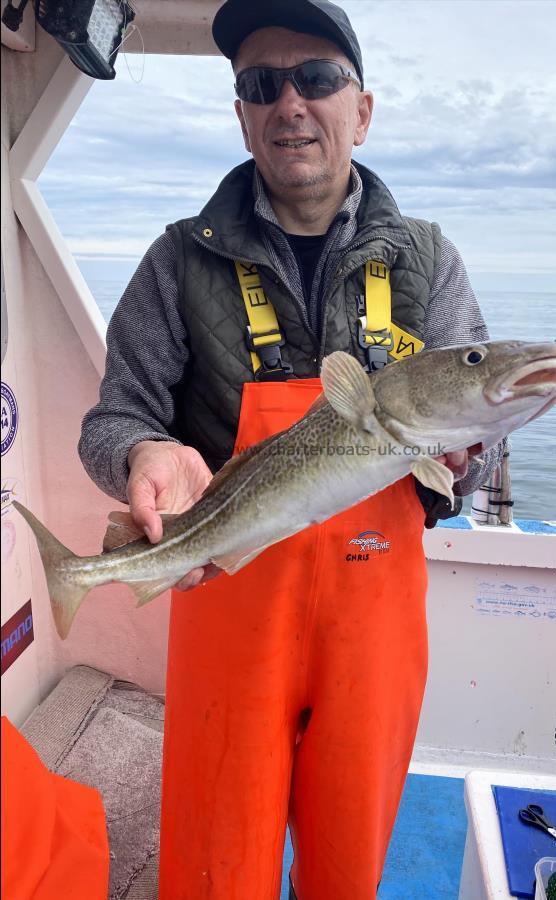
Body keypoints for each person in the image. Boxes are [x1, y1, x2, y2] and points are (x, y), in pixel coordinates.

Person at [79, 1, 503, 896]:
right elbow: (112, 419)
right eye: (260, 85)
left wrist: (467, 465)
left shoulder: (428, 260)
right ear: (240, 114)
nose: (289, 104)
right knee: (212, 865)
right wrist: (144, 456)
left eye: (315, 78)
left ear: (362, 108)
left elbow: (478, 447)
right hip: (229, 600)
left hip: (375, 622)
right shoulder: (174, 263)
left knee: (348, 866)